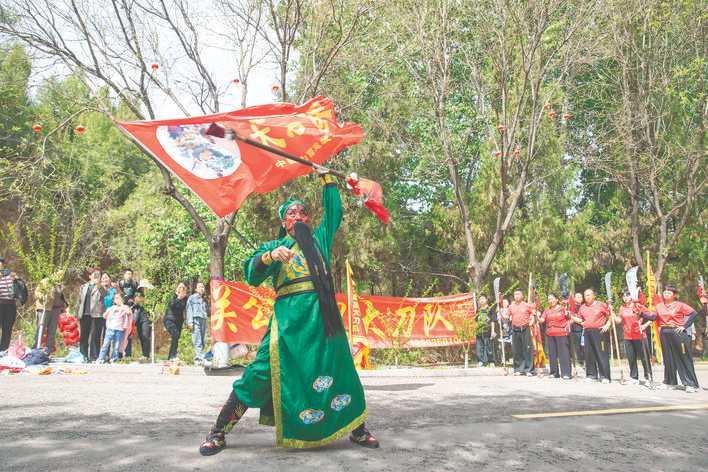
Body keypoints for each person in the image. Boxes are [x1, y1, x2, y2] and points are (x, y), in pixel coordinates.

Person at [198, 172, 378, 456]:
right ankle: (218, 431)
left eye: (302, 213)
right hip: (288, 327)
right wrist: (269, 257)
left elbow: (334, 212)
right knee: (258, 374)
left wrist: (327, 179)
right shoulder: (274, 247)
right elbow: (251, 274)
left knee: (342, 370)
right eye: (291, 213)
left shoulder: (319, 240)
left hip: (324, 324)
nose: (298, 216)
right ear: (284, 222)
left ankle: (358, 429)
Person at [643, 285, 700, 393]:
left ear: (674, 295)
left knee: (683, 358)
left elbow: (693, 313)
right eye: (665, 292)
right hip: (664, 333)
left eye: (669, 293)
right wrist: (641, 313)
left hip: (677, 333)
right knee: (668, 358)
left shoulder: (680, 305)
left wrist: (684, 326)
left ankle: (691, 384)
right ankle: (670, 382)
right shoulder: (659, 306)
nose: (666, 294)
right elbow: (653, 318)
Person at [571, 288, 613, 383]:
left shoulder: (601, 305)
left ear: (594, 296)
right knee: (589, 354)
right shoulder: (582, 307)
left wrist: (608, 324)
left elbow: (610, 315)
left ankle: (605, 376)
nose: (587, 297)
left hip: (599, 332)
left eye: (589, 295)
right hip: (587, 332)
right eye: (585, 295)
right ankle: (591, 375)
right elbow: (580, 320)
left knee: (601, 354)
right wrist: (570, 316)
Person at [615, 291, 652, 384]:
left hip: (640, 336)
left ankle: (648, 377)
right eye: (623, 296)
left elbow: (652, 317)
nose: (625, 297)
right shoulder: (622, 308)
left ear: (632, 296)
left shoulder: (638, 306)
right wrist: (611, 313)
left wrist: (644, 326)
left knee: (644, 358)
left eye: (627, 295)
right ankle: (634, 377)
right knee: (631, 358)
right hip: (628, 336)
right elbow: (619, 320)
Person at [538, 293, 571, 379]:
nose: (551, 301)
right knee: (552, 354)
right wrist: (536, 316)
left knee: (563, 354)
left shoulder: (563, 308)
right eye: (549, 299)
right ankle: (554, 372)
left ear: (556, 299)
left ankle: (566, 373)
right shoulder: (546, 310)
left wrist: (567, 314)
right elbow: (542, 320)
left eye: (552, 298)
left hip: (561, 333)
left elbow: (570, 318)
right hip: (550, 334)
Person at [76, 270, 107, 361]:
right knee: (84, 336)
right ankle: (83, 356)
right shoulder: (84, 286)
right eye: (94, 275)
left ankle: (94, 356)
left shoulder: (101, 287)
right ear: (90, 276)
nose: (96, 277)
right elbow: (79, 301)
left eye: (98, 275)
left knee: (95, 336)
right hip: (85, 314)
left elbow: (105, 294)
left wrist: (98, 285)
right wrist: (77, 313)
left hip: (96, 315)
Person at [33, 270, 67, 353]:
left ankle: (48, 351)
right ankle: (35, 349)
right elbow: (37, 293)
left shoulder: (59, 285)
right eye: (58, 274)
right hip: (45, 308)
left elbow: (61, 297)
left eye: (61, 275)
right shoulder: (45, 281)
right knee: (41, 329)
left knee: (52, 331)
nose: (60, 277)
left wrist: (63, 306)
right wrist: (43, 297)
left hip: (55, 310)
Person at [503, 290, 536, 376]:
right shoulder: (511, 306)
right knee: (517, 350)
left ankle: (529, 370)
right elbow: (507, 316)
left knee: (527, 349)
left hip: (525, 328)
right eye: (515, 294)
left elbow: (533, 314)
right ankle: (519, 369)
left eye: (518, 294)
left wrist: (532, 319)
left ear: (522, 295)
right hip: (515, 329)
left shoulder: (526, 305)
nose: (516, 296)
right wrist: (501, 315)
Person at [97, 292, 132, 363]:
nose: (116, 300)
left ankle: (114, 359)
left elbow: (129, 312)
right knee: (105, 345)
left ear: (122, 299)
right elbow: (104, 316)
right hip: (110, 329)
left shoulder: (125, 307)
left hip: (119, 330)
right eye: (115, 298)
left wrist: (122, 305)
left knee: (116, 346)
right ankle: (100, 358)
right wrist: (109, 312)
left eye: (118, 298)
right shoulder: (111, 308)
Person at [164, 282, 188, 360]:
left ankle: (171, 356)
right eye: (180, 287)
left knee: (176, 337)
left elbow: (186, 309)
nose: (182, 289)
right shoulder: (173, 295)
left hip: (179, 321)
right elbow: (171, 305)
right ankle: (172, 356)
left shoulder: (185, 298)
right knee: (175, 334)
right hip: (169, 320)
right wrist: (178, 298)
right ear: (177, 288)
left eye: (183, 288)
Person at [186, 282, 209, 365]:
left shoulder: (205, 299)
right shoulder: (192, 298)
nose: (202, 288)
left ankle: (199, 358)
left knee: (203, 339)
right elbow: (189, 310)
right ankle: (200, 358)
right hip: (196, 320)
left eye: (203, 287)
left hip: (204, 320)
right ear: (196, 289)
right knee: (197, 339)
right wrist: (190, 322)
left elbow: (207, 311)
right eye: (200, 287)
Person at [0, 257, 18, 352]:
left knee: (7, 328)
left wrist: (16, 279)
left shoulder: (10, 274)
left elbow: (19, 287)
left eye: (1, 262)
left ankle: (3, 350)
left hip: (11, 305)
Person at [474, 294, 496, 367]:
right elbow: (476, 321)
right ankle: (481, 361)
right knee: (479, 347)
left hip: (488, 331)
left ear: (486, 300)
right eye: (480, 299)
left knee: (489, 347)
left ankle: (491, 361)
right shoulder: (478, 310)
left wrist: (493, 331)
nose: (481, 300)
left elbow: (493, 320)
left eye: (483, 298)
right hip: (479, 331)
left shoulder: (490, 309)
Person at [132, 291, 152, 359]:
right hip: (138, 321)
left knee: (146, 336)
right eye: (137, 297)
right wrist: (136, 303)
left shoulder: (147, 300)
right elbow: (133, 308)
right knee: (141, 337)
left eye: (140, 297)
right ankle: (144, 354)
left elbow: (151, 308)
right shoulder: (135, 304)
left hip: (146, 320)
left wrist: (144, 302)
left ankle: (147, 354)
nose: (138, 298)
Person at [569, 292, 585, 368]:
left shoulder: (584, 307)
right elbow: (569, 316)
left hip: (582, 329)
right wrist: (576, 319)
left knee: (582, 346)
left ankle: (582, 361)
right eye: (577, 297)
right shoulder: (571, 306)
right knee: (574, 346)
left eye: (581, 297)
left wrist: (579, 320)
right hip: (573, 329)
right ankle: (575, 361)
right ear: (574, 298)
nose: (579, 298)